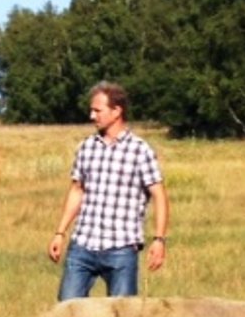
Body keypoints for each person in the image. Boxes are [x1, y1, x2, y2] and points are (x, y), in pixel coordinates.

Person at [46, 82, 168, 299]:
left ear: (117, 111)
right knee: (67, 313)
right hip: (83, 244)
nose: (92, 116)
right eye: (91, 110)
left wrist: (159, 240)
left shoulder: (140, 150)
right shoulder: (87, 147)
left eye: (97, 110)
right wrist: (60, 232)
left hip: (121, 248)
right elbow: (77, 190)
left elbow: (159, 195)